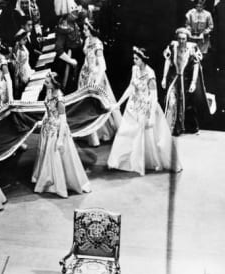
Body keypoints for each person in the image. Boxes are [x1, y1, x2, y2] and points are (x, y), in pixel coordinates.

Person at [108, 47, 182, 176]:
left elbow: (154, 97)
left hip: (146, 107)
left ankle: (141, 162)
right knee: (126, 132)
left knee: (147, 137)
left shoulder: (150, 74)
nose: (134, 61)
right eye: (134, 58)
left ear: (143, 59)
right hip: (133, 106)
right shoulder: (135, 69)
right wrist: (118, 103)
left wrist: (151, 115)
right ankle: (120, 161)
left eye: (137, 59)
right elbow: (131, 87)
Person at [32, 71, 91, 197]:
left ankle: (58, 185)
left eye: (47, 82)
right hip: (48, 128)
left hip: (57, 129)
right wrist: (42, 121)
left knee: (56, 157)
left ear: (54, 84)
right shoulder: (48, 91)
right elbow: (47, 109)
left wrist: (59, 139)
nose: (45, 83)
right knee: (46, 155)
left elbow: (63, 120)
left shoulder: (59, 99)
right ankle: (46, 179)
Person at [78, 20, 121, 146]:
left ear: (92, 29)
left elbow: (102, 66)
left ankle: (102, 133)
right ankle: (90, 135)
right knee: (87, 105)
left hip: (96, 76)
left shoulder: (97, 44)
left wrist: (96, 81)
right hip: (86, 74)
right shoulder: (87, 40)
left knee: (97, 104)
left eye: (86, 29)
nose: (84, 31)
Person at [162, 27, 210, 135]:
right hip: (174, 78)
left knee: (186, 103)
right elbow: (167, 61)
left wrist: (193, 82)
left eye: (183, 39)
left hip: (186, 79)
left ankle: (187, 127)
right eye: (179, 38)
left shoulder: (192, 48)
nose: (181, 41)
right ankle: (172, 127)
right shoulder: (172, 46)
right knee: (171, 101)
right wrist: (164, 77)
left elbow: (196, 65)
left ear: (187, 39)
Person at [11, 29, 33, 98]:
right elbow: (17, 67)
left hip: (27, 68)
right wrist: (17, 82)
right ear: (19, 40)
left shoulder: (23, 46)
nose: (26, 41)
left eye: (26, 39)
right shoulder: (18, 51)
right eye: (24, 39)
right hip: (23, 72)